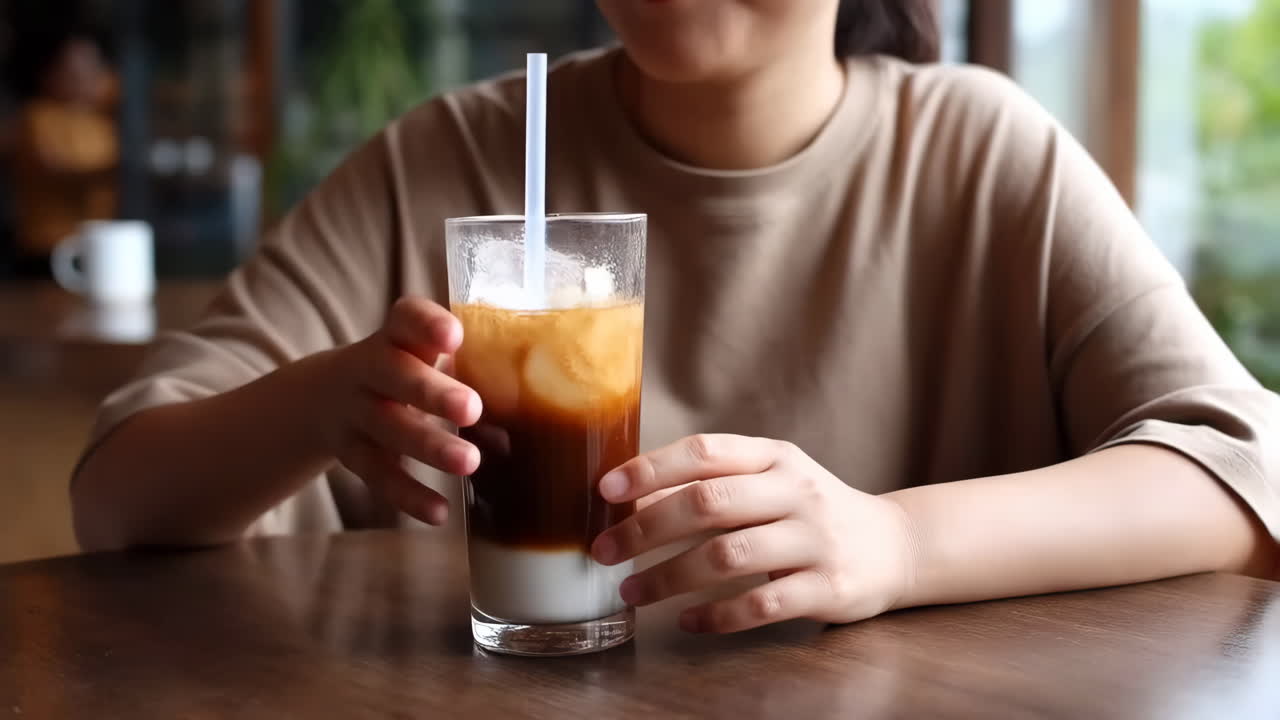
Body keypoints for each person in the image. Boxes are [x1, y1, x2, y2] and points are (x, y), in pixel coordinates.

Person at [73, 0, 1279, 634]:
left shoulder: (979, 154)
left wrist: (896, 546)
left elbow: (1248, 470)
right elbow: (117, 494)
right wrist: (314, 403)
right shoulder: (445, 163)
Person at [9, 31, 118, 277]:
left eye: (93, 67)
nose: (85, 77)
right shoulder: (36, 118)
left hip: (99, 241)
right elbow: (54, 169)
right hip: (49, 246)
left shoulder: (101, 121)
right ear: (49, 74)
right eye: (73, 70)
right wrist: (118, 170)